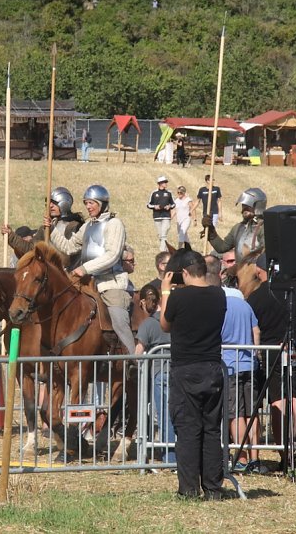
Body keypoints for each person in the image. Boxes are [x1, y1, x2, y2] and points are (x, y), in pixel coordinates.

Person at [159, 249, 227, 500]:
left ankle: (189, 489)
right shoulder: (219, 295)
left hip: (186, 368)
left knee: (188, 430)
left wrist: (166, 291)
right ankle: (213, 488)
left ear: (185, 272)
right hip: (212, 367)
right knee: (211, 430)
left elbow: (165, 325)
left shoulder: (179, 297)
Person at [244, 254, 296, 470]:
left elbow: (252, 326)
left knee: (279, 404)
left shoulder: (256, 296)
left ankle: (286, 455)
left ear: (259, 271)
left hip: (272, 351)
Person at [49, 184, 135, 355]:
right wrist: (52, 229)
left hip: (111, 285)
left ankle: (132, 360)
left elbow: (112, 255)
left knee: (118, 320)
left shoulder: (114, 224)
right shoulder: (88, 226)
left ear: (102, 203)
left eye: (91, 203)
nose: (88, 207)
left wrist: (84, 268)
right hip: (88, 284)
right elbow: (69, 247)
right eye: (86, 203)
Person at [220, 268, 265, 474]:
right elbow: (256, 331)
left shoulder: (221, 306)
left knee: (235, 413)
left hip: (229, 365)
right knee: (251, 413)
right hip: (249, 364)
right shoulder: (245, 305)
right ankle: (255, 457)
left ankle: (241, 457)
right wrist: (256, 355)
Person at [134, 284, 174, 464]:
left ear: (143, 303)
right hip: (179, 371)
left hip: (160, 373)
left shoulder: (148, 324)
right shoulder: (173, 320)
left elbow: (138, 352)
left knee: (165, 416)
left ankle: (170, 456)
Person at [3, 186, 85, 269]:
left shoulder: (73, 226)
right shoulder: (46, 227)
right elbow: (30, 249)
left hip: (68, 275)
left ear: (64, 203)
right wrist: (11, 235)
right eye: (49, 202)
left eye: (54, 202)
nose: (50, 205)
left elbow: (70, 253)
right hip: (50, 274)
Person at [204, 188, 266, 262]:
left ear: (258, 206)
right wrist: (211, 230)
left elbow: (264, 252)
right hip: (240, 271)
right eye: (243, 205)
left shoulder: (264, 227)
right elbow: (222, 247)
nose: (244, 208)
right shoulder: (238, 228)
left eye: (248, 205)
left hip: (259, 271)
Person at [147, 176, 175, 252]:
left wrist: (169, 206)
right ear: (160, 183)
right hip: (157, 216)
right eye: (164, 182)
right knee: (160, 235)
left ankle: (162, 251)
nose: (166, 183)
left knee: (164, 235)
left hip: (166, 216)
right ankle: (166, 250)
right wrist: (154, 206)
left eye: (166, 182)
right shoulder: (154, 193)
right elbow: (148, 205)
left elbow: (173, 204)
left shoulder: (169, 193)